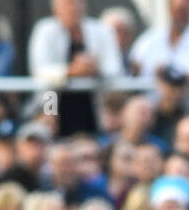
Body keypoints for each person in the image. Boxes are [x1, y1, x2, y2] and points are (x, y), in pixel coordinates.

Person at [28, 0, 123, 137]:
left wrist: (95, 69)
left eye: (78, 3)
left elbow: (114, 68)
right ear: (56, 8)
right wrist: (71, 71)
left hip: (94, 105)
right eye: (68, 3)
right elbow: (42, 72)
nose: (74, 8)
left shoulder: (101, 31)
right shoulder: (45, 30)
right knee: (51, 130)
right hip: (54, 101)